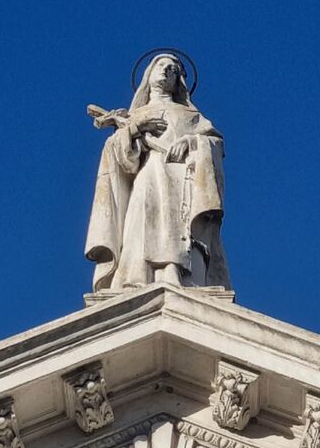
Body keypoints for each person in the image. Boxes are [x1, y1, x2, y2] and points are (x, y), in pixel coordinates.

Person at [85, 53, 230, 290]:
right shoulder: (134, 116)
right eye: (161, 66)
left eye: (172, 69)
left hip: (182, 180)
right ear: (148, 74)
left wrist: (192, 142)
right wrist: (134, 129)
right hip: (148, 175)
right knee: (142, 221)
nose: (166, 71)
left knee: (178, 225)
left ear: (179, 81)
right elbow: (119, 158)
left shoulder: (192, 117)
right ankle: (136, 278)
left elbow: (215, 144)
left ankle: (179, 275)